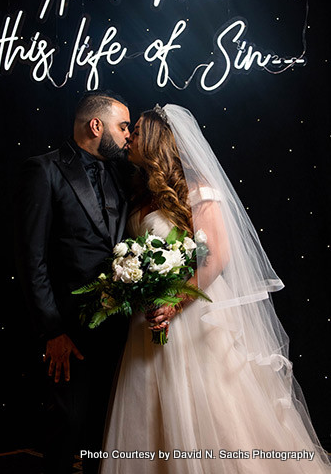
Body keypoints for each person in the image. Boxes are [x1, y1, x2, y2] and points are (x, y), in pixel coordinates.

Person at [100, 104, 331, 474]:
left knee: (213, 409)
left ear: (157, 139)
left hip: (196, 316)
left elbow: (215, 258)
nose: (129, 138)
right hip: (150, 321)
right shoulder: (140, 193)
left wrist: (174, 301)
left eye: (137, 131)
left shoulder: (197, 189)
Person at [14, 90, 131, 474]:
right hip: (70, 332)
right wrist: (53, 331)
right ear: (96, 126)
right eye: (123, 126)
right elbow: (33, 259)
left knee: (105, 425)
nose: (129, 135)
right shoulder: (43, 169)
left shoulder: (118, 173)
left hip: (118, 328)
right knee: (68, 425)